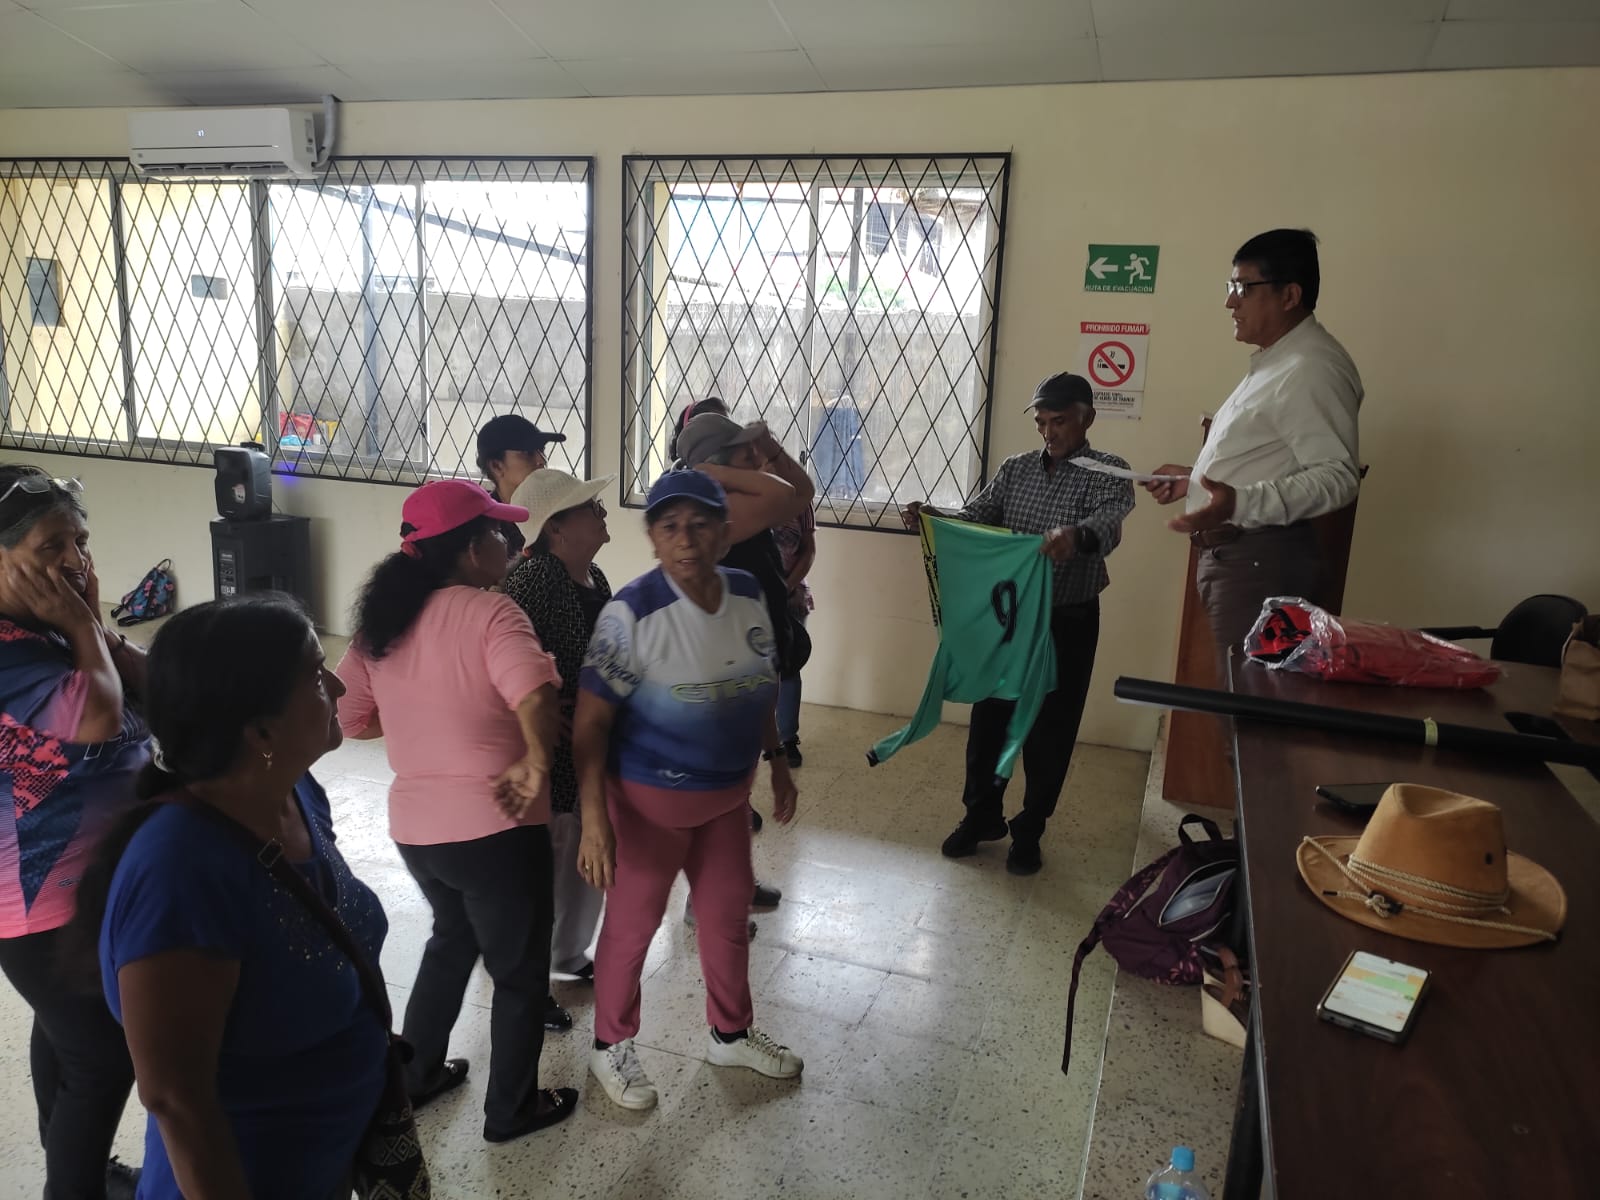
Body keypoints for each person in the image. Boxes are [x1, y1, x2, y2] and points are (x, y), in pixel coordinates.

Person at [87, 595, 388, 1200]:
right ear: (260, 730)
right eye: (315, 674)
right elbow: (177, 1099)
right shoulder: (180, 872)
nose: (336, 684)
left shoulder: (295, 793)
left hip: (325, 1159)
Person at [337, 479, 578, 1143]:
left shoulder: (381, 624)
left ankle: (415, 1078)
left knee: (452, 941)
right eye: (499, 532)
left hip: (419, 833)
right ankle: (512, 1111)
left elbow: (348, 717)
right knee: (519, 976)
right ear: (472, 549)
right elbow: (534, 695)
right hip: (497, 829)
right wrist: (533, 761)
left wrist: (418, 725)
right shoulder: (492, 612)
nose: (511, 543)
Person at [573, 470, 803, 1112]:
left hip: (726, 801)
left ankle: (730, 1034)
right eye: (670, 526)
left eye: (701, 524)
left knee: (726, 920)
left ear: (724, 533)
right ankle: (610, 1045)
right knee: (632, 929)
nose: (686, 539)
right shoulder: (632, 614)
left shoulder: (746, 593)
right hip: (646, 807)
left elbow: (759, 683)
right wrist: (595, 819)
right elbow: (589, 726)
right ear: (652, 536)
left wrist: (776, 761)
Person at [900, 372, 1135, 875]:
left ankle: (1029, 831)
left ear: (1087, 418)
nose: (1049, 432)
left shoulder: (1108, 471)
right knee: (991, 720)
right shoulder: (1016, 468)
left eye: (1060, 421)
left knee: (1051, 729)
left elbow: (1109, 524)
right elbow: (979, 516)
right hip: (1007, 620)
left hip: (1068, 620)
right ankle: (981, 816)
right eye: (1042, 423)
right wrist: (933, 518)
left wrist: (1077, 536)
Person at [0, 467, 148, 1200]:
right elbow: (97, 717)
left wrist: (95, 627)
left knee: (65, 1036)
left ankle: (75, 1166)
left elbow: (158, 687)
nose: (75, 559)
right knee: (102, 1058)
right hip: (39, 903)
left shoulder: (48, 630)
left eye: (80, 540)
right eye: (51, 544)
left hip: (84, 887)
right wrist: (85, 626)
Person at [1144, 228, 1362, 661]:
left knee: (1250, 697)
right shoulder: (1276, 363)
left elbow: (1338, 476)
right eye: (1230, 286)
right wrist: (1196, 482)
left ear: (1289, 295)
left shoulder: (1311, 367)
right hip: (1242, 558)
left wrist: (1239, 502)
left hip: (1261, 561)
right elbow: (1268, 457)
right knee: (1238, 693)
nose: (1231, 302)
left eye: (1244, 287)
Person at [675, 410, 812, 894]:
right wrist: (713, 471)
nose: (757, 457)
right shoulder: (714, 511)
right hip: (719, 671)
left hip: (746, 662)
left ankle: (732, 883)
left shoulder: (734, 498)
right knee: (720, 789)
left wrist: (767, 449)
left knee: (734, 789)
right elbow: (788, 494)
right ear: (715, 462)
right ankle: (708, 898)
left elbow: (801, 492)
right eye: (744, 451)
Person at [503, 468, 615, 988]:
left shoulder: (596, 578)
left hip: (588, 737)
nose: (602, 512)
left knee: (579, 851)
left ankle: (566, 953)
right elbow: (511, 662)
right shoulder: (534, 579)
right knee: (550, 855)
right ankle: (529, 969)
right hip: (550, 742)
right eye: (590, 508)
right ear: (556, 528)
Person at [476, 414, 568, 558]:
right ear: (496, 466)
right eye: (528, 453)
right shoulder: (484, 529)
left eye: (542, 450)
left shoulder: (558, 512)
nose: (541, 460)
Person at [770, 503, 816, 768]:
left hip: (791, 597)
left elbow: (809, 550)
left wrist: (784, 587)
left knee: (787, 668)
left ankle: (787, 739)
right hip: (748, 595)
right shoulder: (743, 494)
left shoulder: (800, 500)